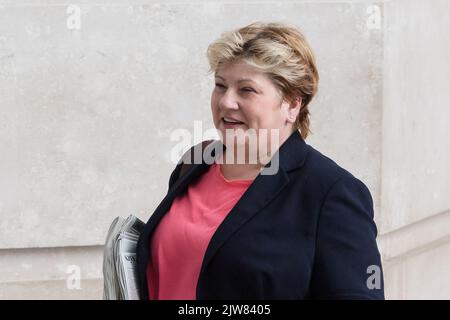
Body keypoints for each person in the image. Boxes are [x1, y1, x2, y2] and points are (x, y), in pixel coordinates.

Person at [136, 21, 384, 300]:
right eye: (220, 85)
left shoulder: (331, 192)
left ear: (292, 104)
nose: (226, 102)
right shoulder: (196, 160)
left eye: (246, 90)